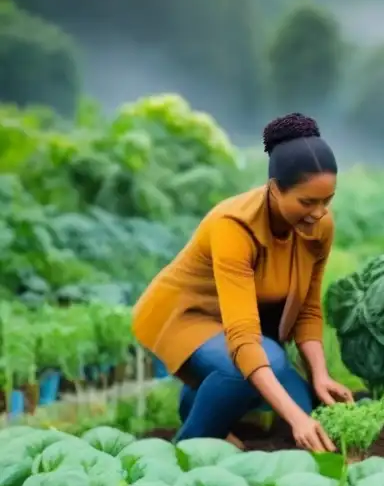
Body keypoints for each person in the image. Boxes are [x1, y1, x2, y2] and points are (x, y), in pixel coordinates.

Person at [132, 113, 354, 453]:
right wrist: (296, 419)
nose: (319, 212)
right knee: (259, 368)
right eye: (307, 202)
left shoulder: (319, 226)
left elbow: (308, 308)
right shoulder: (233, 226)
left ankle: (199, 405)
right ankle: (184, 451)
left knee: (305, 405)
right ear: (275, 189)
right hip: (184, 316)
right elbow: (244, 340)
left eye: (327, 200)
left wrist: (320, 375)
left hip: (235, 324)